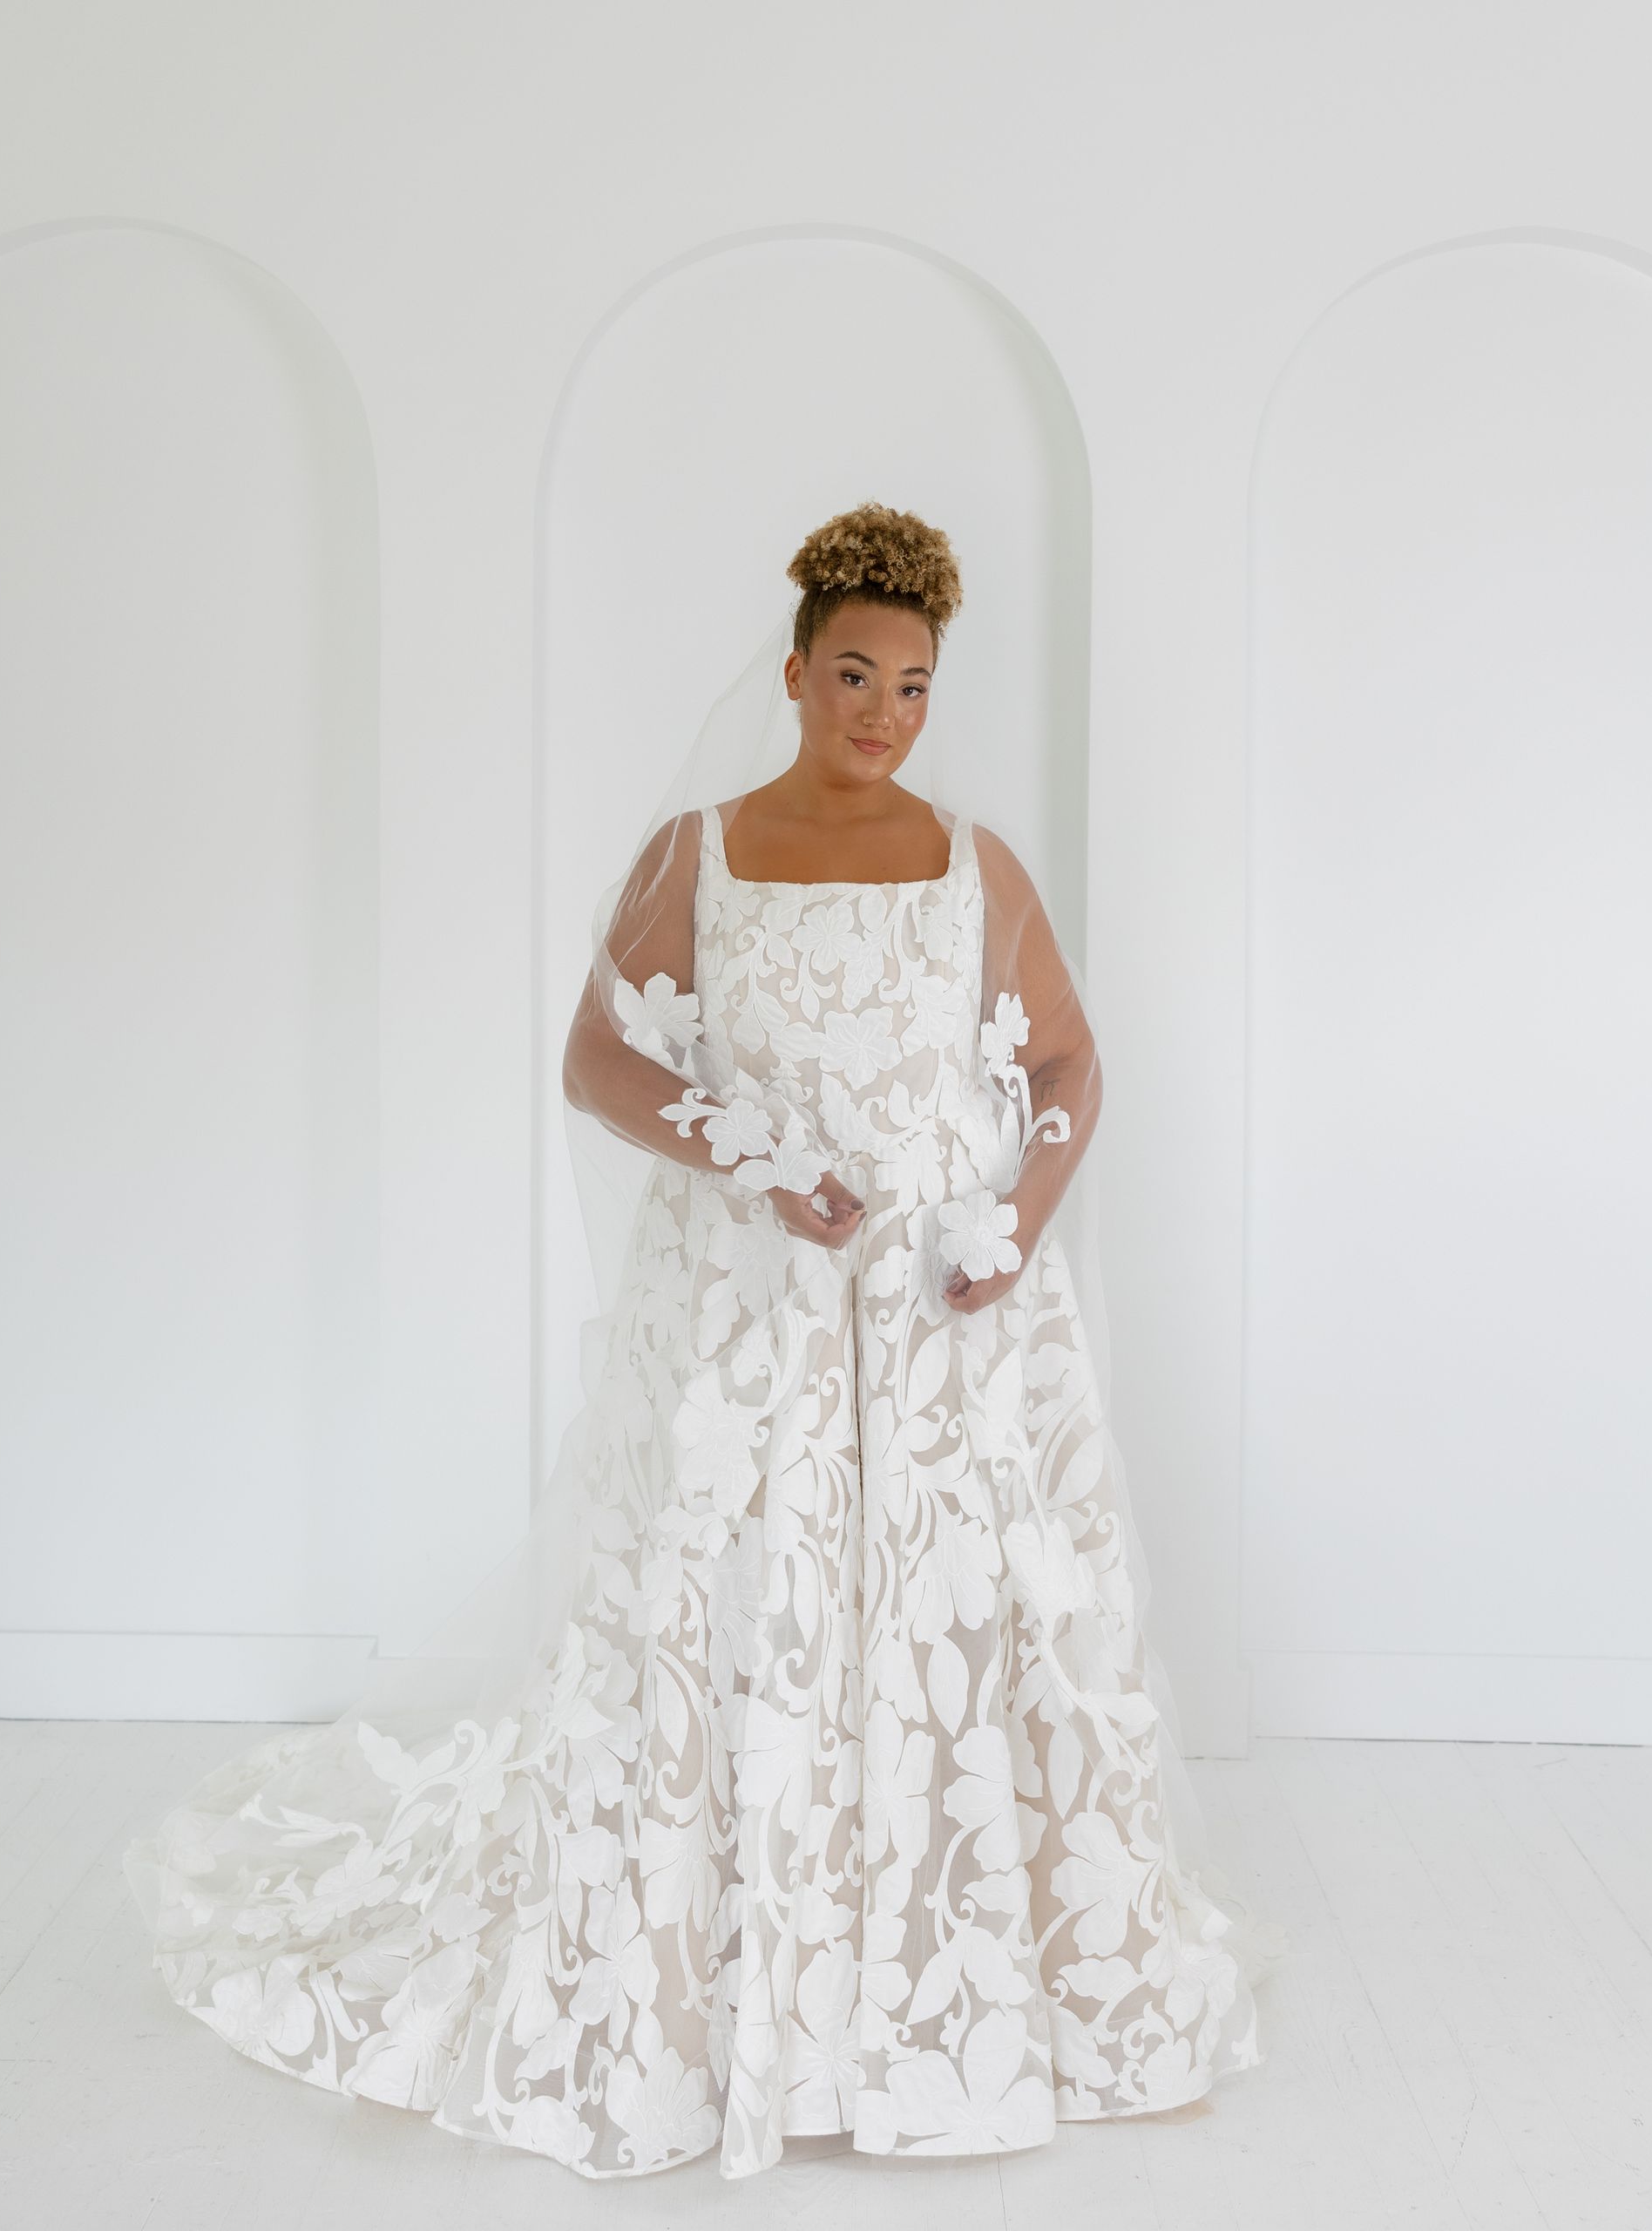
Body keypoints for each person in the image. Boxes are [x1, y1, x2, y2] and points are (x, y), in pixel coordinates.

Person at [123, 500, 1282, 2180]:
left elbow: (1071, 1070)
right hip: (753, 1312)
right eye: (860, 675)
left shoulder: (974, 864)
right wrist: (751, 1154)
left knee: (960, 1618)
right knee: (731, 1606)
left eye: (917, 687)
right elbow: (599, 1062)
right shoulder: (704, 852)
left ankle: (958, 1986)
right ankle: (718, 1982)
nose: (887, 713)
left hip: (944, 1318)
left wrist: (1014, 1217)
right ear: (799, 671)